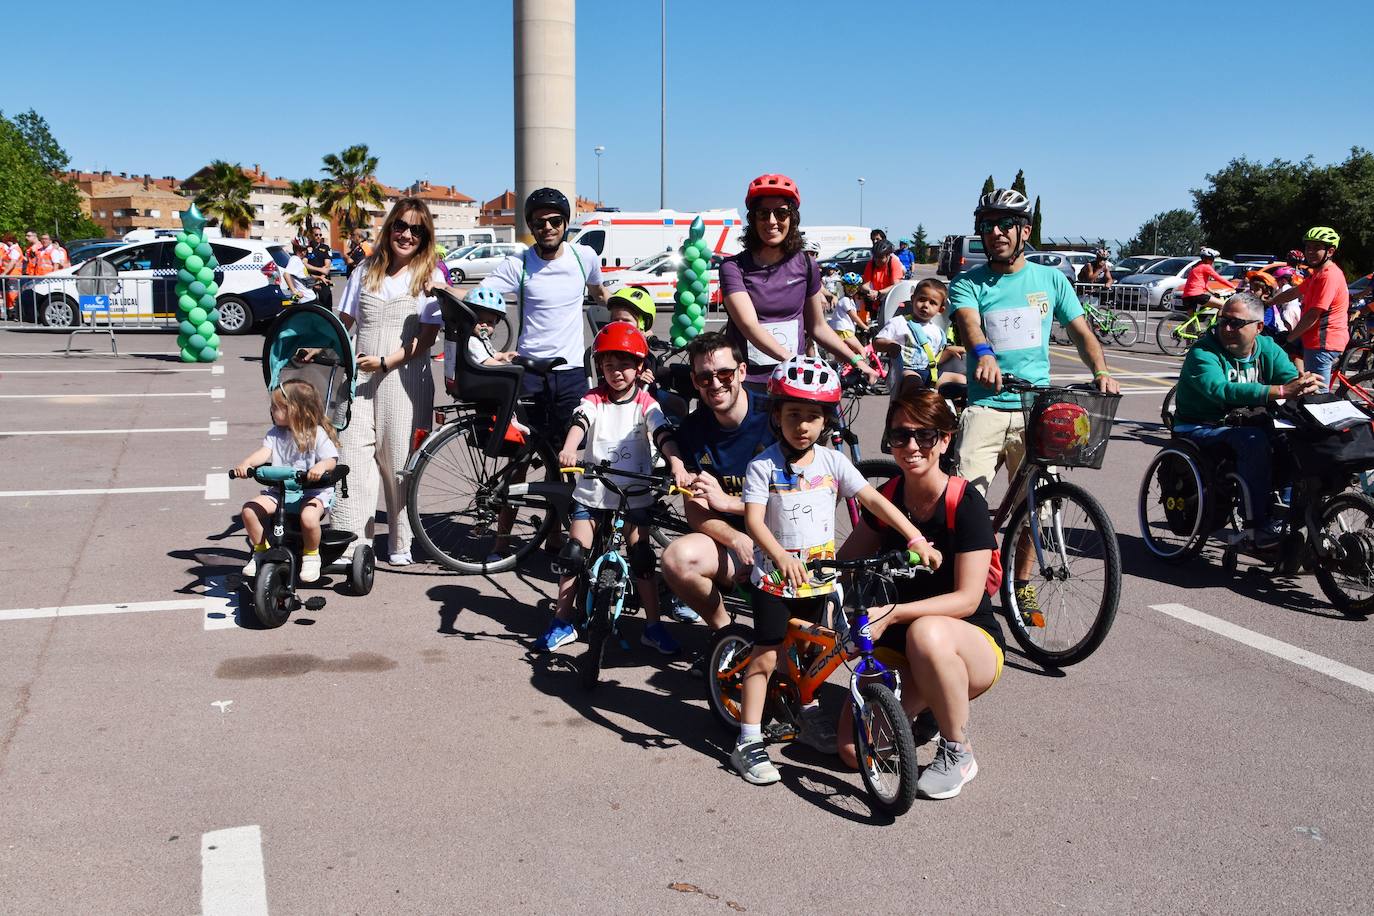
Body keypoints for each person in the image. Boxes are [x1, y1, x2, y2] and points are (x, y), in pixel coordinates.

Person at [730, 356, 938, 786]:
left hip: (819, 578)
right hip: (775, 579)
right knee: (767, 656)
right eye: (793, 415)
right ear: (776, 416)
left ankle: (804, 710)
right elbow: (753, 521)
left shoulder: (832, 462)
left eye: (811, 417)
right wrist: (780, 556)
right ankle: (747, 741)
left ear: (825, 420)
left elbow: (877, 501)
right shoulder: (763, 466)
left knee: (812, 650)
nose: (802, 426)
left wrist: (914, 537)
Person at [950, 188, 1119, 613]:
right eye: (988, 225)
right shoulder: (967, 282)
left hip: (1036, 409)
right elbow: (970, 325)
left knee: (1038, 507)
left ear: (1025, 230)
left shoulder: (1051, 280)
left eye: (1006, 224)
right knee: (966, 505)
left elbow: (1081, 332)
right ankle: (961, 587)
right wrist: (983, 354)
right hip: (987, 406)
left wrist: (1100, 370)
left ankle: (1020, 583)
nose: (997, 233)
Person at [834, 387, 1004, 799]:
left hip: (968, 644)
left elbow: (967, 597)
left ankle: (957, 750)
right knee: (854, 750)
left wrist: (891, 614)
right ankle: (924, 709)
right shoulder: (890, 496)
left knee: (926, 631)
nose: (911, 446)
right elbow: (844, 562)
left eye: (924, 435)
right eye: (899, 436)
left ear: (945, 440)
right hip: (902, 647)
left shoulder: (965, 503)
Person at [540, 323, 691, 653]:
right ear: (600, 368)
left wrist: (676, 463)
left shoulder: (645, 402)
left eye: (624, 364)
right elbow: (581, 420)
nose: (616, 372)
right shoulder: (594, 398)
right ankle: (561, 621)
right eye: (608, 365)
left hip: (633, 493)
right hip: (594, 492)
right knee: (573, 554)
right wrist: (569, 447)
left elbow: (662, 432)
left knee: (641, 558)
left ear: (639, 367)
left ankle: (653, 626)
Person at [331, 197, 444, 567]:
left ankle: (400, 543)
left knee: (398, 463)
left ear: (425, 236)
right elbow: (342, 322)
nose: (406, 234)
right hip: (359, 378)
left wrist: (385, 362)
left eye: (416, 229)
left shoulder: (430, 275)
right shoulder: (364, 271)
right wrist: (317, 348)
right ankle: (350, 543)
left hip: (405, 378)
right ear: (389, 227)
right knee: (352, 457)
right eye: (401, 226)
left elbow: (426, 337)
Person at [659, 332, 777, 673]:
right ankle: (729, 637)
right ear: (695, 382)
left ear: (741, 371)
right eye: (704, 377)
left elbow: (797, 498)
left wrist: (729, 504)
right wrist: (736, 538)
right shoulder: (694, 430)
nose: (715, 383)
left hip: (786, 540)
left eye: (724, 373)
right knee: (677, 559)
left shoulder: (774, 418)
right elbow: (696, 512)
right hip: (733, 547)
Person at [1173, 292, 1321, 548]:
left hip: (1244, 422)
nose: (1227, 328)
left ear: (1259, 327)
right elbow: (1220, 390)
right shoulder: (1203, 351)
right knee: (1253, 441)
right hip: (1200, 426)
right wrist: (1281, 391)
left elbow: (1288, 378)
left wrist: (1304, 385)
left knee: (1296, 437)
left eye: (1236, 323)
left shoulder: (1268, 348)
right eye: (1223, 321)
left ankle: (1287, 512)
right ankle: (1257, 527)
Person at [720, 173, 876, 391]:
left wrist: (857, 362)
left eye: (781, 213)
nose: (772, 221)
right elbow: (749, 325)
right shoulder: (733, 267)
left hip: (793, 381)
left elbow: (818, 327)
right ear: (753, 220)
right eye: (763, 214)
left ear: (792, 218)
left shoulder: (805, 264)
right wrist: (794, 361)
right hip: (748, 382)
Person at [479, 187, 607, 443]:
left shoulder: (584, 257)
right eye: (540, 222)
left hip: (571, 372)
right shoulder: (519, 263)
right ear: (531, 226)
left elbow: (600, 294)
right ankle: (512, 484)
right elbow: (479, 294)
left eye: (555, 221)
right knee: (522, 451)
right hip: (530, 371)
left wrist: (636, 315)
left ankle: (558, 483)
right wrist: (443, 287)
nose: (548, 227)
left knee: (570, 451)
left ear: (566, 223)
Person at [235, 379, 340, 583]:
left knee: (309, 518)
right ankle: (260, 551)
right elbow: (264, 454)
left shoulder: (316, 434)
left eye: (276, 407)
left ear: (295, 409)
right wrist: (247, 463)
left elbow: (331, 459)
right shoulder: (275, 434)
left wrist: (320, 467)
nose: (272, 410)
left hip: (312, 492)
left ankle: (311, 555)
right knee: (249, 511)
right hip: (280, 491)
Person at [1271, 227, 1349, 390]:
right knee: (1299, 374)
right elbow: (1294, 292)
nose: (1310, 252)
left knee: (1317, 393)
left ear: (1330, 251)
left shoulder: (1329, 276)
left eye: (1316, 248)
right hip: (1313, 337)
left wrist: (1291, 338)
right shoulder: (1317, 273)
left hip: (1322, 342)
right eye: (1308, 247)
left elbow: (1313, 314)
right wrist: (1268, 303)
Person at [875, 278, 966, 392]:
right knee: (914, 380)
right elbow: (877, 343)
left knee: (961, 380)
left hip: (929, 373)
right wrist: (890, 344)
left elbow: (934, 359)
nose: (926, 305)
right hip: (904, 372)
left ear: (941, 309)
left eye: (932, 303)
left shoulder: (938, 331)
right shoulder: (899, 322)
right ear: (913, 299)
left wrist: (949, 351)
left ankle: (956, 409)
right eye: (922, 300)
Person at [443, 286, 517, 397]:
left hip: (477, 380)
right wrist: (510, 369)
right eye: (480, 319)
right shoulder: (472, 341)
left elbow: (490, 355)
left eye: (490, 322)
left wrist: (503, 355)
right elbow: (487, 362)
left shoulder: (480, 338)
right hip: (477, 384)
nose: (484, 325)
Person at [824, 271, 870, 364]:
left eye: (854, 287)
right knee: (861, 350)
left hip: (841, 331)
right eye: (849, 286)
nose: (852, 289)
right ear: (844, 286)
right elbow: (854, 317)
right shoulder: (845, 300)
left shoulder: (850, 301)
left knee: (841, 358)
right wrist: (867, 328)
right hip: (844, 331)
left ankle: (841, 374)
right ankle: (862, 369)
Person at [860, 238, 905, 324]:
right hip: (877, 303)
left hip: (893, 303)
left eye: (881, 258)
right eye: (875, 257)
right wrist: (870, 291)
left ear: (888, 255)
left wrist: (879, 292)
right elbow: (865, 284)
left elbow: (896, 285)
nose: (877, 260)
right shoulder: (871, 263)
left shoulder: (893, 262)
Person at [1179, 247, 1234, 315]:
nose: (1212, 261)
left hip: (1186, 296)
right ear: (1206, 259)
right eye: (1211, 259)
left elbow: (1201, 283)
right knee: (1223, 305)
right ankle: (1219, 324)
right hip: (1197, 295)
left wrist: (1212, 292)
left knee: (1190, 320)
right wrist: (1233, 286)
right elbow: (1218, 278)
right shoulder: (1206, 267)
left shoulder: (1196, 266)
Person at [1, 232, 21, 318]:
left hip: (13, 275)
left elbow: (12, 262)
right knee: (7, 295)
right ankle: (10, 313)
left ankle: (15, 314)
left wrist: (4, 273)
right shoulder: (11, 249)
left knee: (12, 295)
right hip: (9, 275)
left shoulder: (15, 250)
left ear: (10, 241)